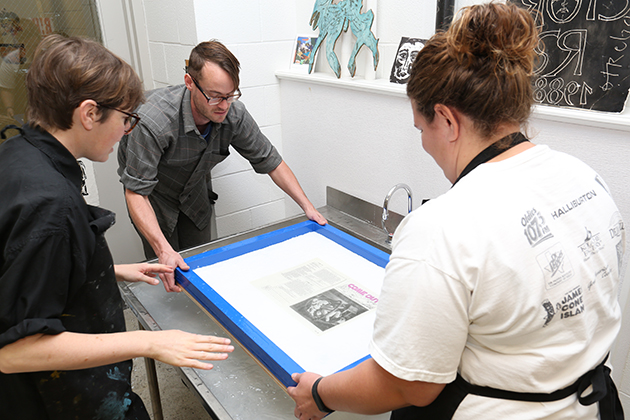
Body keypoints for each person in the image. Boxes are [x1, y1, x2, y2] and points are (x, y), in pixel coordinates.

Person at [288, 3, 625, 420]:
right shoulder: (584, 177)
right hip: (597, 406)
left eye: (421, 129)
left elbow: (409, 384)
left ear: (446, 120)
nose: (425, 145)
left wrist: (320, 393)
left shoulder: (443, 227)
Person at [0, 34, 234, 420]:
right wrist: (148, 342)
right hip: (61, 397)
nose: (128, 131)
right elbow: (14, 350)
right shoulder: (49, 207)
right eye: (126, 119)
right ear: (89, 113)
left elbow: (27, 270)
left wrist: (108, 271)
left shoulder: (20, 153)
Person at [118, 40, 327, 293]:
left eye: (230, 95)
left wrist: (308, 207)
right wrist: (164, 250)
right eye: (215, 96)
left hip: (194, 195)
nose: (224, 106)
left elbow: (271, 161)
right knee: (165, 273)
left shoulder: (233, 114)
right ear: (189, 83)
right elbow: (136, 192)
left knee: (199, 267)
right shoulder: (153, 121)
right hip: (154, 199)